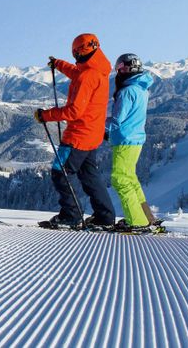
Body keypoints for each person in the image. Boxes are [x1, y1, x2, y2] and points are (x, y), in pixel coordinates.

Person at [34, 33, 116, 229]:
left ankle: (71, 215)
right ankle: (105, 217)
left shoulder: (87, 76)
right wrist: (59, 64)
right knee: (89, 176)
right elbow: (77, 73)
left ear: (79, 51)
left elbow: (74, 111)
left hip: (78, 135)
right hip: (92, 134)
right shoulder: (98, 70)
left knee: (60, 172)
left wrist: (46, 115)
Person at [105, 53, 158, 231]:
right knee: (130, 178)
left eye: (120, 69)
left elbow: (117, 120)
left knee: (120, 179)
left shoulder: (126, 91)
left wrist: (96, 125)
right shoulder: (141, 89)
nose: (118, 73)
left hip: (124, 140)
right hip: (135, 139)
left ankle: (136, 221)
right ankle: (146, 216)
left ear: (128, 69)